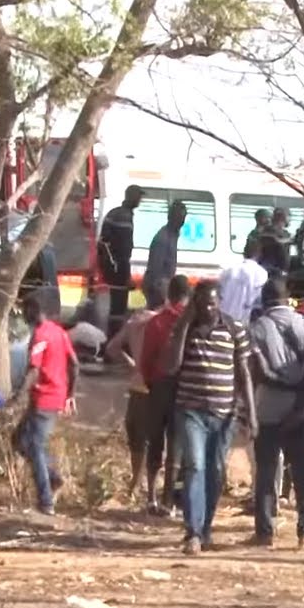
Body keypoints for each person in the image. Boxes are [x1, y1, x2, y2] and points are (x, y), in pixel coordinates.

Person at [163, 280, 257, 554]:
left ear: (220, 302)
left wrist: (251, 413)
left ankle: (205, 529)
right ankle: (192, 531)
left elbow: (244, 373)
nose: (207, 307)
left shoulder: (234, 328)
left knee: (215, 473)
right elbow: (171, 366)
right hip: (191, 411)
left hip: (225, 413)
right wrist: (182, 326)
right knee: (195, 466)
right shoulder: (186, 328)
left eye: (211, 302)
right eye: (201, 303)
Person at [247, 276, 304, 550]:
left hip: (267, 408)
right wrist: (301, 397)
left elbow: (259, 372)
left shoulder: (257, 328)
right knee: (301, 472)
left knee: (266, 473)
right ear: (287, 296)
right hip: (299, 410)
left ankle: (265, 533)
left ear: (264, 300)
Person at [17, 294, 79, 515]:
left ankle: (46, 500)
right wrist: (70, 394)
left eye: (25, 311)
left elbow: (33, 370)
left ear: (33, 310)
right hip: (56, 397)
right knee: (20, 440)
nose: (24, 316)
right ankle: (52, 476)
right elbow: (75, 364)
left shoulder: (41, 335)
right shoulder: (59, 331)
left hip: (44, 398)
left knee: (34, 446)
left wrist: (17, 396)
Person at [105, 280, 166, 504]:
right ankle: (152, 491)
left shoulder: (136, 321)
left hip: (137, 386)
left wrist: (132, 364)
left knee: (137, 441)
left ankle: (134, 484)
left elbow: (112, 347)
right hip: (157, 387)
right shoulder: (163, 323)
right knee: (157, 440)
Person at [137, 274, 192, 515]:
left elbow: (145, 359)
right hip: (184, 387)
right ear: (188, 296)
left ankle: (151, 497)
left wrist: (151, 381)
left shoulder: (157, 323)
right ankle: (170, 499)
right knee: (177, 444)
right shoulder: (193, 323)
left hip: (159, 386)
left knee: (155, 441)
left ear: (169, 296)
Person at [98, 185, 145, 319]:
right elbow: (123, 250)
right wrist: (125, 275)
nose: (139, 200)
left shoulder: (116, 213)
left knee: (114, 306)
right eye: (138, 196)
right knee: (118, 308)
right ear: (131, 196)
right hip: (117, 270)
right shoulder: (123, 216)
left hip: (111, 267)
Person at [144, 200, 186, 309]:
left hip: (165, 284)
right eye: (178, 217)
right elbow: (155, 270)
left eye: (183, 217)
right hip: (159, 287)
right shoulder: (163, 238)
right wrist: (163, 296)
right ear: (170, 217)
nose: (182, 221)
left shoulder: (173, 235)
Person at [218, 240, 269, 323]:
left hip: (225, 319)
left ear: (244, 253)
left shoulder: (228, 270)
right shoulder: (262, 273)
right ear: (259, 254)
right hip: (247, 320)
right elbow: (259, 300)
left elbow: (219, 293)